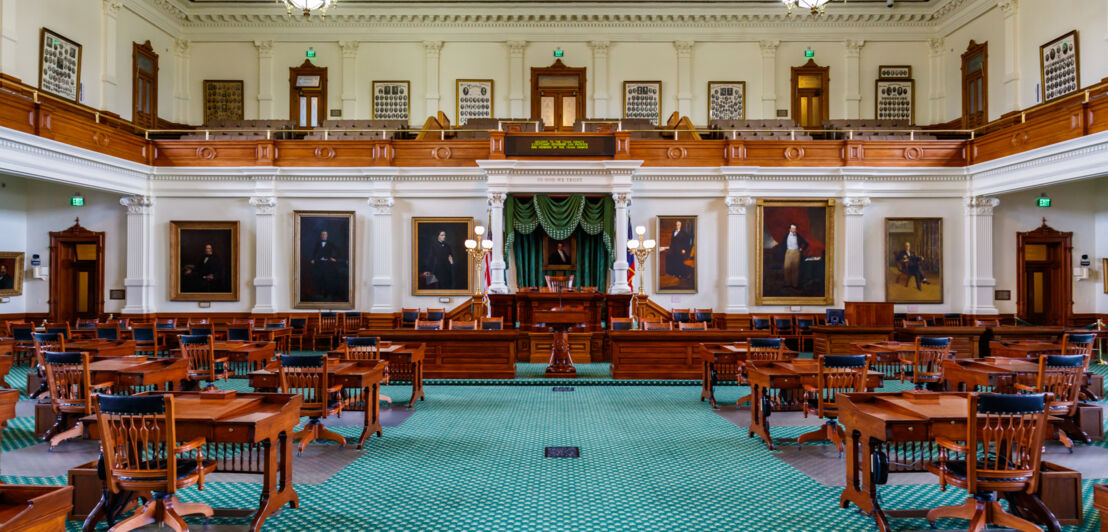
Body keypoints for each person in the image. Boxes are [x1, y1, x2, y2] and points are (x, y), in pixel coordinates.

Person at [310, 230, 344, 299]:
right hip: (319, 263)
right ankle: (319, 293)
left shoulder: (330, 244)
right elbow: (314, 252)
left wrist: (334, 258)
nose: (323, 236)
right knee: (319, 278)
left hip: (328, 264)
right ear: (321, 236)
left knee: (327, 279)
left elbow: (338, 251)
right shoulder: (318, 243)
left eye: (325, 235)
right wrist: (313, 259)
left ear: (327, 236)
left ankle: (326, 294)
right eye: (322, 235)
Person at [780, 223, 808, 289]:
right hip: (788, 252)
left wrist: (801, 249)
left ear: (796, 230)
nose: (793, 230)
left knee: (795, 269)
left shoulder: (798, 236)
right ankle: (787, 283)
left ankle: (795, 284)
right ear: (789, 229)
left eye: (795, 228)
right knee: (786, 268)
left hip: (796, 252)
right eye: (792, 228)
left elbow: (806, 243)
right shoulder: (786, 236)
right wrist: (785, 251)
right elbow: (782, 244)